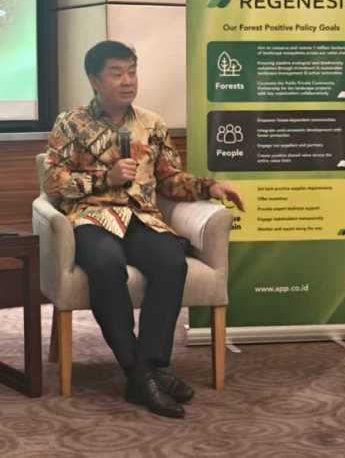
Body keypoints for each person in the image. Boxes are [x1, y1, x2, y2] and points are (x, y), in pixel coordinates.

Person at [42, 40, 244, 419]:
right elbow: (53, 181)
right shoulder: (70, 123)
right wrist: (105, 178)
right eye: (116, 73)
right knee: (106, 265)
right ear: (94, 80)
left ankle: (148, 367)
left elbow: (169, 179)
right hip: (92, 217)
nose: (128, 81)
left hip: (141, 217)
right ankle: (138, 371)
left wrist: (208, 187)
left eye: (132, 72)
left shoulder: (152, 124)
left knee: (171, 261)